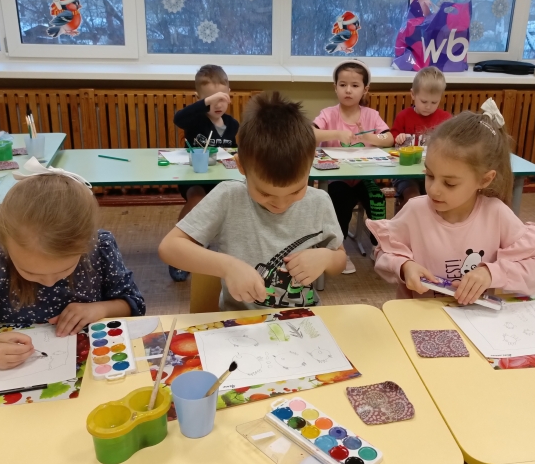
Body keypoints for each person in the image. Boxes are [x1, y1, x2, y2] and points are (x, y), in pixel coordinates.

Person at [0, 172, 145, 368]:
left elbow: (133, 303)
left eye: (64, 269)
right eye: (31, 272)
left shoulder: (99, 247)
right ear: (5, 244)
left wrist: (101, 308)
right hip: (10, 374)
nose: (49, 282)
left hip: (97, 363)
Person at [159, 92, 346, 311]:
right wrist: (228, 267)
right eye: (265, 194)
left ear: (311, 162)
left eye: (296, 191)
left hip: (302, 320)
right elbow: (169, 247)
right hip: (241, 321)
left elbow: (339, 259)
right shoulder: (229, 197)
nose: (281, 204)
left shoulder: (319, 202)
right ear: (240, 166)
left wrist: (326, 258)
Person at [367, 106, 535, 303]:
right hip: (421, 313)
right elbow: (383, 252)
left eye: (450, 183)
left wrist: (491, 273)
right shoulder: (415, 211)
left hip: (476, 318)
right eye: (429, 175)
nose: (434, 189)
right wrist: (404, 266)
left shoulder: (496, 214)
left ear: (484, 180)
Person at [312, 59, 394, 274]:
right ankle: (339, 250)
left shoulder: (371, 115)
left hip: (364, 177)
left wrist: (369, 137)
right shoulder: (329, 114)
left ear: (365, 89)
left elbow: (389, 138)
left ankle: (379, 247)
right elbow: (310, 133)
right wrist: (336, 134)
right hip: (336, 179)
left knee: (377, 201)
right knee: (340, 203)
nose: (348, 90)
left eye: (355, 85)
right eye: (343, 85)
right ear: (335, 87)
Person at [168, 64, 240, 282]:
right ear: (199, 98)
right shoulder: (195, 120)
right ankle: (178, 252)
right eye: (211, 100)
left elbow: (235, 152)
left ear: (229, 95)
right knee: (197, 200)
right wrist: (204, 104)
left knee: (239, 202)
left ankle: (228, 249)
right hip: (194, 177)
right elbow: (178, 119)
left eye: (222, 99)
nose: (217, 105)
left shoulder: (232, 125)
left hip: (222, 179)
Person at [391, 66, 452, 204]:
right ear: (413, 94)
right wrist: (398, 137)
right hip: (405, 174)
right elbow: (392, 138)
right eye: (424, 101)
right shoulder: (404, 116)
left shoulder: (446, 119)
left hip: (435, 173)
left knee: (438, 198)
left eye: (434, 102)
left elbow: (452, 145)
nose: (428, 106)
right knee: (413, 197)